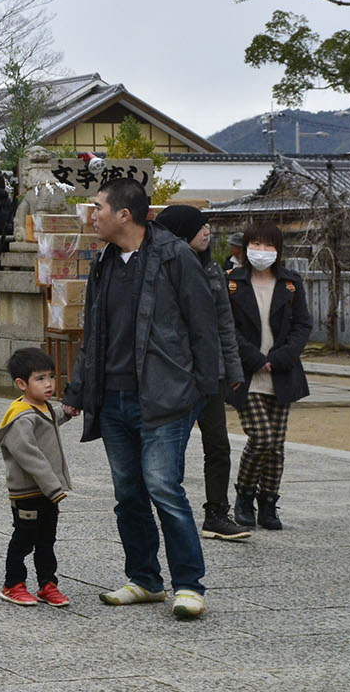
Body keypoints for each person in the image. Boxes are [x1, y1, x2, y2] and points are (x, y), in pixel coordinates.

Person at [62, 177, 223, 619]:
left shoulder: (175, 257)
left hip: (165, 396)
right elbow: (94, 335)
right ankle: (145, 579)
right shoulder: (106, 262)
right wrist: (78, 391)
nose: (92, 215)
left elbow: (203, 326)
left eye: (97, 208)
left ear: (123, 215)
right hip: (112, 398)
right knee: (128, 492)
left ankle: (189, 584)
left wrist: (204, 388)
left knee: (163, 488)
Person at [151, 205, 248, 542]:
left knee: (218, 443)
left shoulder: (214, 273)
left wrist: (232, 370)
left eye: (207, 226)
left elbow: (225, 328)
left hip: (211, 374)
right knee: (168, 449)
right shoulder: (158, 270)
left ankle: (217, 512)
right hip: (172, 374)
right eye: (199, 226)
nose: (207, 232)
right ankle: (165, 509)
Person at [228, 221, 312, 533]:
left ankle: (268, 502)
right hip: (248, 374)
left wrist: (280, 358)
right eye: (256, 245)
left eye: (268, 246)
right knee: (261, 437)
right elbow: (227, 327)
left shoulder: (291, 283)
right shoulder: (233, 283)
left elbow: (303, 324)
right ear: (246, 247)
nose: (261, 252)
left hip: (281, 373)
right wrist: (254, 358)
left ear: (278, 250)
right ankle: (244, 495)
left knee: (276, 445)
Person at [0, 347, 74, 609]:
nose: (49, 384)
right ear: (21, 384)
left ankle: (47, 584)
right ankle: (13, 584)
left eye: (51, 377)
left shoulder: (42, 408)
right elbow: (30, 456)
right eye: (40, 379)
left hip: (46, 493)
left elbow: (50, 419)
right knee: (24, 538)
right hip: (28, 492)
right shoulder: (20, 416)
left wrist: (68, 411)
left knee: (47, 540)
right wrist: (54, 488)